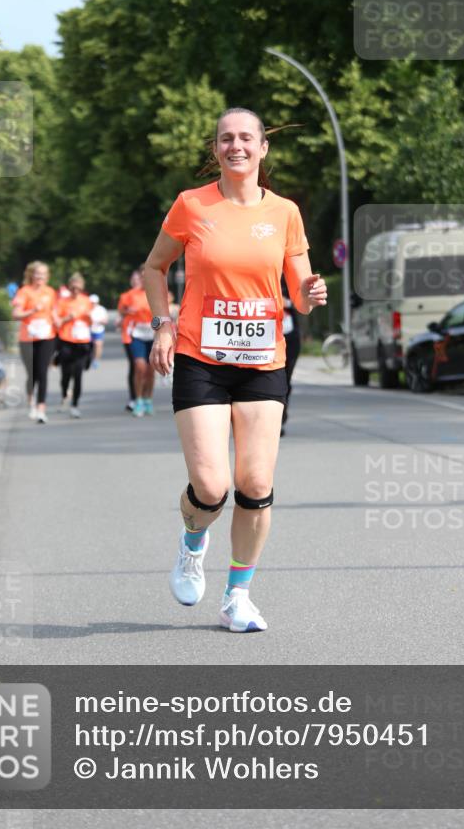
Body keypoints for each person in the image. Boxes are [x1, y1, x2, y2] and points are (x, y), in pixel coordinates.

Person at [144, 106, 327, 632]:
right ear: (216, 149)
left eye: (247, 138)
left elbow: (300, 290)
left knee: (255, 480)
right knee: (211, 485)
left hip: (262, 360)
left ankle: (237, 597)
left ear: (263, 148)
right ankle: (192, 540)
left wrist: (311, 293)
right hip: (200, 356)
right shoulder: (191, 205)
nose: (236, 146)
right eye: (227, 139)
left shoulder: (286, 213)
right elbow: (155, 267)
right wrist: (162, 323)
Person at [11, 261, 57, 423]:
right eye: (37, 274)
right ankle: (31, 401)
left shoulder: (50, 292)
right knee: (32, 374)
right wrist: (32, 311)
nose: (40, 277)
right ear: (31, 275)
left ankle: (41, 408)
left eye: (43, 274)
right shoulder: (24, 292)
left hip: (46, 336)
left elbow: (53, 311)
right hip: (28, 338)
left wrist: (57, 320)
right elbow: (15, 314)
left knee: (43, 372)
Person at [55, 273, 94, 418]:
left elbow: (91, 323)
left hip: (82, 342)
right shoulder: (62, 302)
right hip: (66, 340)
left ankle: (75, 404)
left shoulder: (86, 301)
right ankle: (65, 393)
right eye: (73, 288)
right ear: (69, 287)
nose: (75, 290)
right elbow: (57, 322)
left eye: (78, 288)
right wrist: (67, 318)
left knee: (78, 374)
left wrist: (89, 318)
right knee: (66, 374)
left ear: (82, 288)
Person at [119, 269, 156, 417]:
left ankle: (148, 399)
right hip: (136, 334)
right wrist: (128, 311)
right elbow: (121, 311)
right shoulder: (130, 295)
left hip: (152, 333)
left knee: (151, 369)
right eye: (143, 277)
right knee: (140, 366)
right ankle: (138, 399)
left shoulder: (157, 292)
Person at [117, 270, 143, 412]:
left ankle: (144, 397)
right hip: (129, 334)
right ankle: (134, 398)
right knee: (135, 365)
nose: (135, 281)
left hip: (146, 334)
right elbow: (121, 311)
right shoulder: (126, 296)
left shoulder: (147, 293)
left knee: (144, 368)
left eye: (137, 279)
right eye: (133, 279)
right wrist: (127, 312)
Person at [280, 274, 302, 436]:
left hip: (290, 336)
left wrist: (286, 302)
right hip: (265, 337)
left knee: (285, 379)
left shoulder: (291, 277)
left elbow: (303, 302)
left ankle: (281, 416)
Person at [89, 294, 108, 367]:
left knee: (98, 344)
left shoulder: (101, 309)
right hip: (88, 330)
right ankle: (89, 358)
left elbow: (106, 320)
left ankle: (96, 360)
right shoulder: (87, 308)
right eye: (91, 302)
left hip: (98, 330)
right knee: (89, 346)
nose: (93, 304)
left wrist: (100, 321)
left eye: (94, 302)